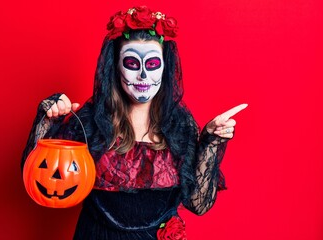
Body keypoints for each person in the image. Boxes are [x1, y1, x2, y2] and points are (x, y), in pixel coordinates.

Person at [22, 6, 247, 240]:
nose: (143, 76)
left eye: (152, 65)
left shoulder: (178, 125)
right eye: (131, 63)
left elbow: (198, 204)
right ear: (115, 67)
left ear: (165, 68)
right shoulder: (90, 121)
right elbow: (41, 178)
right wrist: (48, 120)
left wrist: (212, 139)